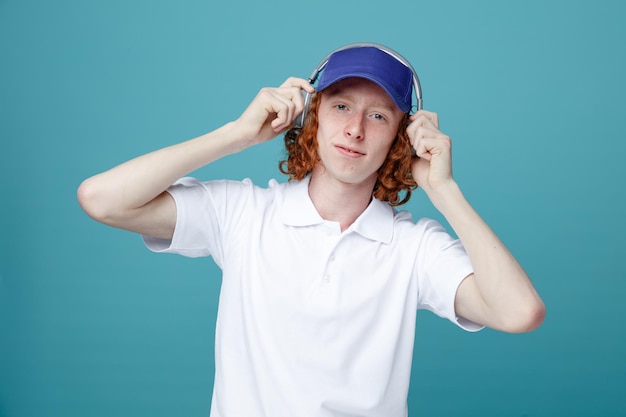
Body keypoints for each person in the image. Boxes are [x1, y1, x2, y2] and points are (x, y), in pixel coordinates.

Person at [78, 44, 545, 417]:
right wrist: (236, 135)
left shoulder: (414, 247)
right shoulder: (243, 213)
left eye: (379, 116)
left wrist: (444, 190)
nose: (356, 129)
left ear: (402, 138)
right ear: (313, 117)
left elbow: (519, 312)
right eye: (341, 106)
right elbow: (101, 199)